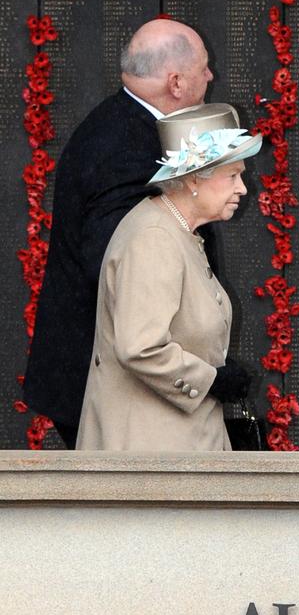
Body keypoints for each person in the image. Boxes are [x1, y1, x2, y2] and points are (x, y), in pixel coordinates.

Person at [23, 18, 215, 449]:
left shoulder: (122, 125)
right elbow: (129, 273)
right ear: (177, 82)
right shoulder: (125, 149)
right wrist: (206, 376)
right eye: (204, 68)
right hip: (116, 386)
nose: (210, 77)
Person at [76, 104, 261, 451]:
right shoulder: (154, 237)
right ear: (194, 179)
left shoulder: (175, 230)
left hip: (174, 448)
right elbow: (140, 348)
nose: (243, 189)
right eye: (233, 176)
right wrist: (212, 380)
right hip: (149, 456)